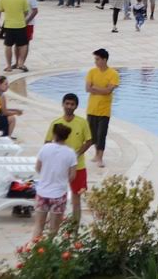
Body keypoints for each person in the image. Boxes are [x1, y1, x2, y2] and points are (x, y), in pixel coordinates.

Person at [45, 93, 93, 225]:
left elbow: (89, 141)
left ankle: (75, 227)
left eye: (72, 104)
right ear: (62, 104)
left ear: (76, 106)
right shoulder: (56, 123)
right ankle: (51, 222)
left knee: (76, 199)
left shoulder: (82, 123)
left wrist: (77, 154)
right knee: (53, 194)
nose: (69, 106)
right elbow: (47, 142)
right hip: (59, 167)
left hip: (78, 166)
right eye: (67, 103)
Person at [32, 123, 77, 239]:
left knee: (38, 226)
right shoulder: (71, 153)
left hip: (42, 192)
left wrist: (46, 175)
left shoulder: (45, 148)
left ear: (54, 134)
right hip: (59, 194)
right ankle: (48, 247)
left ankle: (34, 248)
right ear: (67, 137)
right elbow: (72, 175)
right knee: (53, 229)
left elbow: (38, 167)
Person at [86, 48, 119, 168]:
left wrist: (96, 88)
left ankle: (100, 157)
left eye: (97, 59)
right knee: (93, 135)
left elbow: (108, 91)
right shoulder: (92, 72)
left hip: (104, 110)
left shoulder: (113, 74)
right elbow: (88, 88)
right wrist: (102, 90)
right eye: (95, 59)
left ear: (104, 60)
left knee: (101, 134)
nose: (95, 62)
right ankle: (96, 154)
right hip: (92, 109)